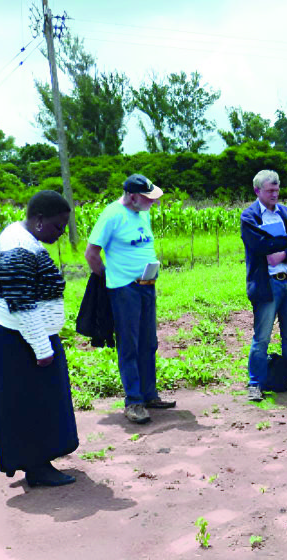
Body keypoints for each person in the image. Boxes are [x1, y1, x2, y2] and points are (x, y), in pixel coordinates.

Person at [0, 190, 79, 487]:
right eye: (57, 226)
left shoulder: (18, 236)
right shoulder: (18, 246)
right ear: (38, 220)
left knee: (25, 399)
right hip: (17, 337)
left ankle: (27, 460)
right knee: (31, 402)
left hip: (14, 332)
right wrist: (41, 347)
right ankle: (37, 467)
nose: (60, 233)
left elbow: (7, 286)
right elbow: (22, 304)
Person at [84, 174, 175, 424]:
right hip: (125, 290)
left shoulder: (142, 212)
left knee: (149, 342)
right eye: (148, 198)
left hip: (147, 284)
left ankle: (149, 395)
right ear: (132, 196)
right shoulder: (111, 214)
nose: (152, 203)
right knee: (130, 345)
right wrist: (109, 277)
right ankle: (133, 401)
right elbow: (91, 253)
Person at [240, 169, 287, 402]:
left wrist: (281, 253)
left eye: (277, 189)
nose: (275, 193)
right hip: (267, 285)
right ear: (257, 190)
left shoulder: (286, 214)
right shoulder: (249, 217)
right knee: (261, 337)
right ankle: (255, 383)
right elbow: (260, 244)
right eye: (270, 190)